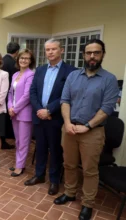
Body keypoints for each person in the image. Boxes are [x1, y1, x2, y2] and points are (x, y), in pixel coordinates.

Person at [54, 39, 119, 220]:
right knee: (69, 164)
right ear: (83, 55)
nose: (92, 56)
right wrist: (67, 123)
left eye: (96, 53)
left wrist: (87, 126)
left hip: (93, 132)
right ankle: (70, 192)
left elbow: (106, 108)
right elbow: (64, 100)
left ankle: (87, 204)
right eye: (89, 53)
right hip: (69, 129)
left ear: (102, 55)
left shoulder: (109, 79)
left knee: (90, 170)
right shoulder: (73, 76)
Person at [25, 38, 76, 195]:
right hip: (39, 117)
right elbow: (32, 92)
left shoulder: (70, 71)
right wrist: (40, 110)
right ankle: (39, 175)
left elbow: (67, 96)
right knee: (40, 148)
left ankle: (54, 181)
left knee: (55, 150)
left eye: (54, 49)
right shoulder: (40, 70)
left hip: (55, 118)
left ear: (61, 50)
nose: (50, 52)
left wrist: (49, 110)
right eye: (48, 49)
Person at [7, 49, 35, 177]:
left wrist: (15, 109)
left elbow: (27, 95)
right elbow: (10, 93)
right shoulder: (15, 74)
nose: (23, 60)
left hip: (24, 114)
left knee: (23, 142)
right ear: (18, 59)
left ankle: (20, 166)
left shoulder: (30, 75)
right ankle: (19, 162)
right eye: (21, 58)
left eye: (27, 58)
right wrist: (9, 107)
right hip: (14, 113)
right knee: (17, 140)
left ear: (30, 61)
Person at [2, 42, 20, 149]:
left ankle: (4, 137)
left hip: (1, 93)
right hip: (10, 94)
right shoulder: (14, 63)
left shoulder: (2, 60)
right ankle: (4, 139)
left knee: (4, 117)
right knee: (6, 118)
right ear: (17, 52)